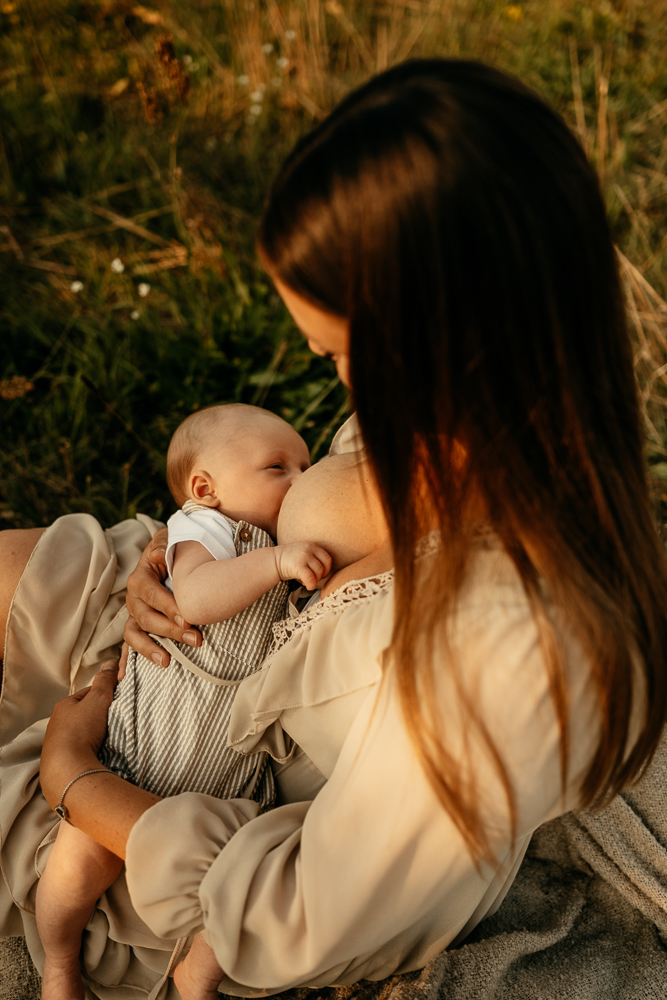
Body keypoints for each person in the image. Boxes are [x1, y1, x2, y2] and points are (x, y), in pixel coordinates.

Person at [2, 58, 667, 1000]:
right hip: (214, 621)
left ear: (458, 331)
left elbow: (285, 912)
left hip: (199, 799)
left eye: (350, 352)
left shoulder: (503, 650)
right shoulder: (462, 425)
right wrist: (171, 562)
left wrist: (71, 778)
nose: (345, 387)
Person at [33, 403, 335, 1000]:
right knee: (77, 863)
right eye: (279, 467)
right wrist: (274, 563)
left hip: (229, 776)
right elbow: (194, 599)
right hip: (143, 756)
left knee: (253, 872)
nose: (302, 480)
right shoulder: (208, 530)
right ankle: (59, 956)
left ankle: (198, 974)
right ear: (206, 489)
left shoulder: (288, 543)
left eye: (307, 465)